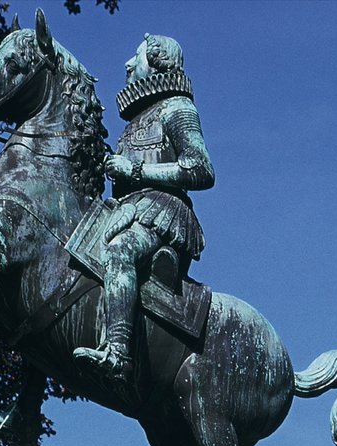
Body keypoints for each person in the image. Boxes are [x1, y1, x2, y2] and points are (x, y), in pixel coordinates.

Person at [73, 33, 215, 383]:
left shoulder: (177, 108)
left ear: (156, 62)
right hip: (126, 208)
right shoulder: (135, 120)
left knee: (119, 252)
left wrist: (135, 170)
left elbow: (201, 169)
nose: (127, 64)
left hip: (161, 213)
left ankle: (118, 353)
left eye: (135, 56)